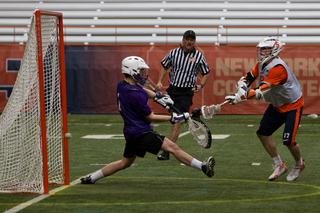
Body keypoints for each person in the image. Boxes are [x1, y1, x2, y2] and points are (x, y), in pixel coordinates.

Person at [80, 56, 215, 184]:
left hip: (131, 132)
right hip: (141, 133)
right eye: (140, 71)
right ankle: (202, 167)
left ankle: (92, 178)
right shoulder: (135, 95)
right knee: (173, 147)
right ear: (131, 71)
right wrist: (174, 117)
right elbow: (152, 117)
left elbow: (142, 89)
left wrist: (157, 96)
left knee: (124, 163)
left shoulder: (123, 85)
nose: (143, 74)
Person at [225, 37, 305, 181]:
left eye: (264, 49)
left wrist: (240, 97)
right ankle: (279, 164)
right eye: (260, 49)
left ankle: (299, 164)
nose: (261, 52)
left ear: (274, 50)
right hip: (277, 105)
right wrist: (241, 87)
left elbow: (261, 91)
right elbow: (249, 76)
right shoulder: (262, 64)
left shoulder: (278, 68)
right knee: (262, 133)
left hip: (293, 106)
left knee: (289, 141)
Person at [155, 30, 210, 160]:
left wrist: (200, 85)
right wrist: (159, 81)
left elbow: (205, 73)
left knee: (177, 122)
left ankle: (167, 152)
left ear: (194, 41)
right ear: (183, 40)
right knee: (173, 119)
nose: (189, 41)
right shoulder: (173, 53)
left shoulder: (198, 56)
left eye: (192, 39)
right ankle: (191, 116)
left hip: (186, 93)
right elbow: (164, 66)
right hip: (172, 91)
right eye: (187, 39)